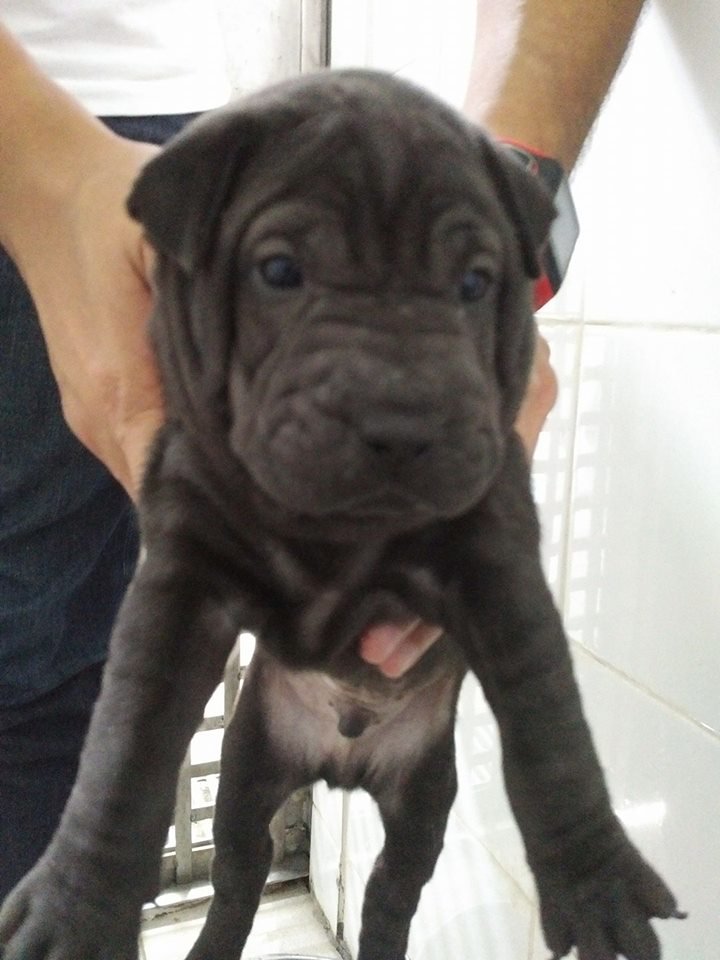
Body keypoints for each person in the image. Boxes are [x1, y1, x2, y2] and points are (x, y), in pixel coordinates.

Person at [0, 0, 647, 899]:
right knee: (43, 675)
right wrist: (38, 162)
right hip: (78, 120)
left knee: (54, 669)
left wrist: (492, 212)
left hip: (146, 123)